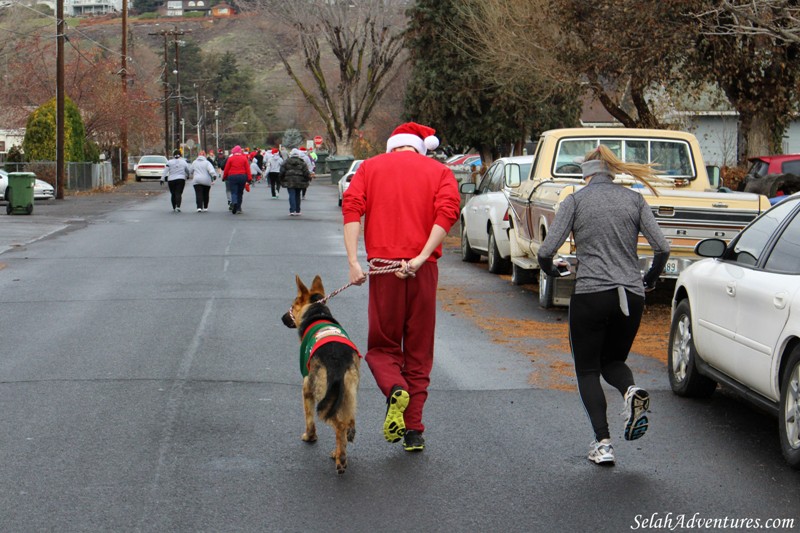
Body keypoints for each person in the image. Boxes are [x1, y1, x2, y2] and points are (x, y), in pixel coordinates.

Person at [536, 144, 670, 466]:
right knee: (613, 362)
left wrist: (552, 271)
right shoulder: (635, 199)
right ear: (611, 172)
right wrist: (648, 280)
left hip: (592, 294)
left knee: (587, 369)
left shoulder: (576, 201)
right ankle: (630, 391)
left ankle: (603, 442)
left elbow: (545, 251)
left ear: (586, 175)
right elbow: (662, 248)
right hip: (631, 296)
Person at [342, 122, 460, 452]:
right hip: (423, 270)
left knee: (382, 346)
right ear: (421, 147)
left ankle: (395, 388)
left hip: (383, 271)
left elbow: (352, 208)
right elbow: (447, 213)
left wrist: (353, 261)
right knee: (419, 350)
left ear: (393, 145)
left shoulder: (369, 168)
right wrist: (422, 257)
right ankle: (414, 430)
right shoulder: (439, 172)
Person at [280, 148, 311, 216]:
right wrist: (308, 178)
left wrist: (281, 179)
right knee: (297, 195)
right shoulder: (302, 162)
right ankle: (298, 210)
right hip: (299, 181)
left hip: (289, 181)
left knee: (291, 195)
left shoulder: (286, 162)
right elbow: (306, 172)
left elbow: (282, 171)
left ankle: (292, 210)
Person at [222, 145, 252, 214]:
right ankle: (238, 208)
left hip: (232, 176)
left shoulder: (231, 158)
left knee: (234, 192)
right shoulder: (244, 158)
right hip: (242, 177)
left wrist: (224, 177)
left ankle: (234, 202)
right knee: (240, 193)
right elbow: (248, 169)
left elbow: (226, 169)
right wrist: (249, 178)